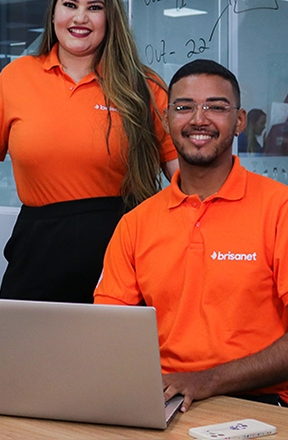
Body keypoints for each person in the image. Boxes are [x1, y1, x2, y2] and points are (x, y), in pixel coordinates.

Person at [0, 0, 178, 303]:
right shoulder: (19, 76)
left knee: (109, 356)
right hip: (38, 252)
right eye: (70, 5)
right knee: (21, 354)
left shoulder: (145, 86)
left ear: (110, 19)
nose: (80, 18)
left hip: (119, 253)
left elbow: (182, 177)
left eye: (94, 8)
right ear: (54, 13)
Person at [95, 59, 288, 411]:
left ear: (239, 121)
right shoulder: (136, 224)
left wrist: (205, 380)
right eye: (184, 107)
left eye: (216, 107)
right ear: (166, 120)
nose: (199, 119)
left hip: (258, 404)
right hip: (164, 399)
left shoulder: (280, 210)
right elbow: (109, 331)